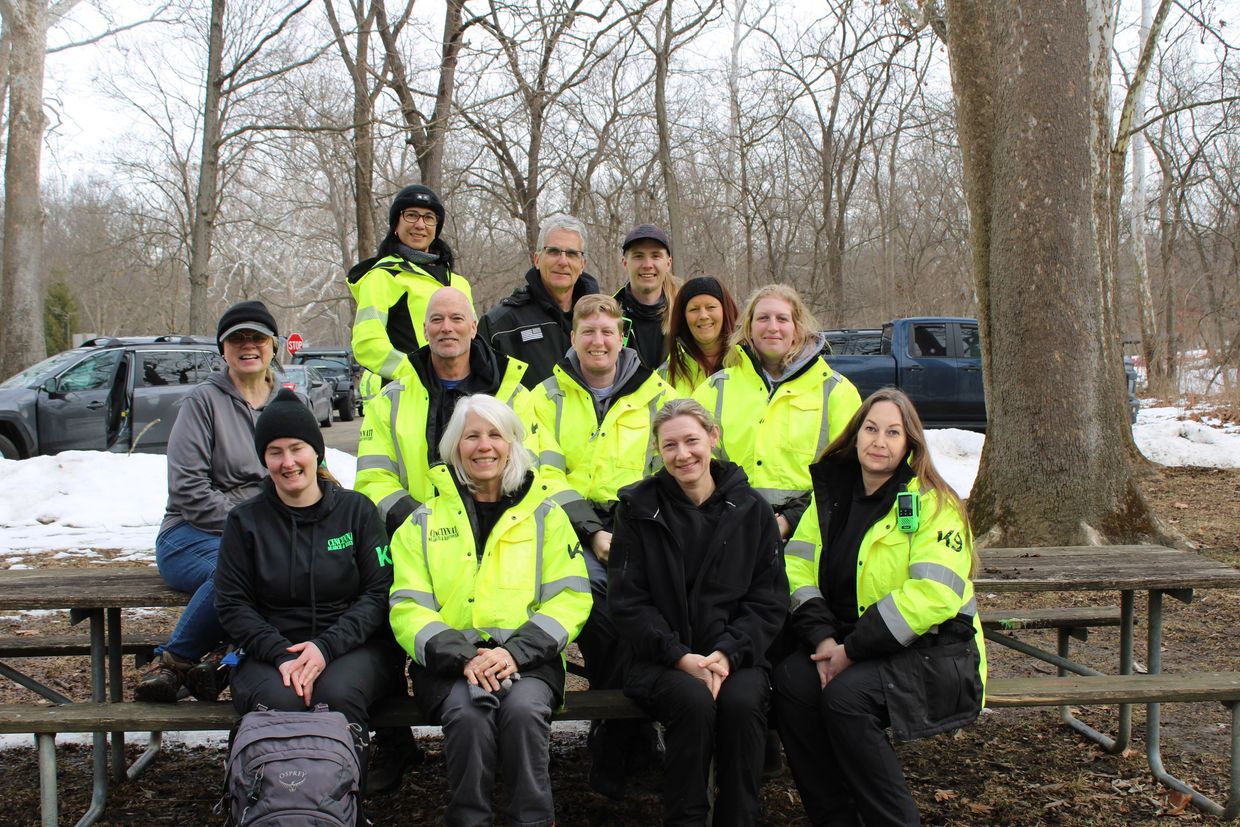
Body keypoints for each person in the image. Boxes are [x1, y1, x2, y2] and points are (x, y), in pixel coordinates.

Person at [772, 388, 986, 827]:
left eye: (893, 432)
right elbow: (797, 567)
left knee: (845, 699)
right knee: (792, 683)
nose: (879, 441)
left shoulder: (934, 504)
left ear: (910, 444)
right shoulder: (831, 495)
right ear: (855, 435)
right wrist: (825, 639)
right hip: (848, 642)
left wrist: (849, 652)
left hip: (936, 652)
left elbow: (934, 594)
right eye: (871, 429)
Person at [389, 395, 591, 827]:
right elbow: (407, 606)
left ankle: (534, 820)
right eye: (471, 436)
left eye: (495, 435)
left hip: (528, 661)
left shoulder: (547, 517)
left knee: (521, 712)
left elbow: (572, 596)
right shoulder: (421, 522)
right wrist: (467, 658)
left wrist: (513, 653)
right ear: (454, 447)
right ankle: (468, 819)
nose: (484, 446)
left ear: (513, 443)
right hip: (448, 666)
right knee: (469, 714)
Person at [214, 388, 407, 795]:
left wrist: (324, 648)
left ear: (317, 452)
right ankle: (272, 809)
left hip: (353, 647)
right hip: (272, 651)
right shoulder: (245, 522)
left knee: (335, 695)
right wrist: (281, 652)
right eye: (275, 452)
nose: (287, 462)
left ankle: (339, 807)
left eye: (297, 448)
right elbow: (232, 604)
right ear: (263, 459)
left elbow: (378, 593)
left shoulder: (357, 511)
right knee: (281, 702)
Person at [608, 399, 788, 825]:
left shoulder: (752, 510)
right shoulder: (638, 509)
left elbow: (768, 600)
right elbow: (628, 602)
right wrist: (678, 656)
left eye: (692, 440)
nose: (683, 454)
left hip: (736, 656)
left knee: (743, 703)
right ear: (657, 449)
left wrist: (726, 653)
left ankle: (738, 816)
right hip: (661, 659)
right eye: (670, 445)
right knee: (692, 701)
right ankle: (686, 818)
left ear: (713, 438)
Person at [529, 292, 675, 798]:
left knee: (643, 609)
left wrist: (628, 532)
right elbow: (542, 472)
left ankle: (618, 735)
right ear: (572, 337)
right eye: (587, 331)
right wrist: (592, 531)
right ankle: (625, 734)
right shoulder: (544, 397)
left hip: (640, 524)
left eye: (607, 332)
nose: (598, 340)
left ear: (621, 338)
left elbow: (667, 473)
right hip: (567, 526)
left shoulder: (659, 395)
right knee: (598, 607)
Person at [136, 300, 282, 702]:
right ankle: (174, 661)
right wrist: (252, 528)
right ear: (223, 349)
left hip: (266, 535)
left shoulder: (289, 403)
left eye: (257, 337)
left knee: (288, 571)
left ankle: (222, 659)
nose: (247, 345)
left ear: (274, 345)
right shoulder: (202, 403)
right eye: (237, 339)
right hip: (191, 533)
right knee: (239, 566)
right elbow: (188, 490)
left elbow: (310, 471)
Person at [355, 286, 534, 538]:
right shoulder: (389, 402)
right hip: (415, 541)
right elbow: (372, 479)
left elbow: (533, 469)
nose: (446, 327)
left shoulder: (513, 396)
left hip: (501, 539)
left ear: (473, 328)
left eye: (456, 318)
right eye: (437, 319)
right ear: (424, 330)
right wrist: (421, 525)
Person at [692, 283, 861, 540]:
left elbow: (849, 471)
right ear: (748, 328)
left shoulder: (836, 391)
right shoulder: (716, 388)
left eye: (782, 319)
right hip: (729, 531)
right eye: (763, 318)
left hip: (809, 536)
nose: (772, 327)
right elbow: (693, 464)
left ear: (797, 328)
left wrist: (790, 521)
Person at [348, 184, 473, 385]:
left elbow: (472, 341)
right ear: (396, 223)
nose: (420, 225)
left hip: (458, 393)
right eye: (412, 215)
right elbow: (367, 344)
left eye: (429, 218)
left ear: (436, 228)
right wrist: (416, 374)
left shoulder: (459, 283)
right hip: (406, 395)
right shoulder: (383, 277)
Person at [477, 214, 602, 388]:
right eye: (553, 251)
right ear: (537, 259)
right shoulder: (500, 326)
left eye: (572, 254)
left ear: (583, 264)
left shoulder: (602, 320)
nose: (563, 261)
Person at [660, 275, 739, 397]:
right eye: (694, 309)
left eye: (711, 307)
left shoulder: (748, 366)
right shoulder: (666, 376)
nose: (703, 315)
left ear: (725, 311)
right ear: (683, 317)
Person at [615, 223, 677, 370]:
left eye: (656, 256)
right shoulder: (608, 315)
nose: (647, 264)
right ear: (625, 263)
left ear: (668, 263)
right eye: (638, 256)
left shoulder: (685, 316)